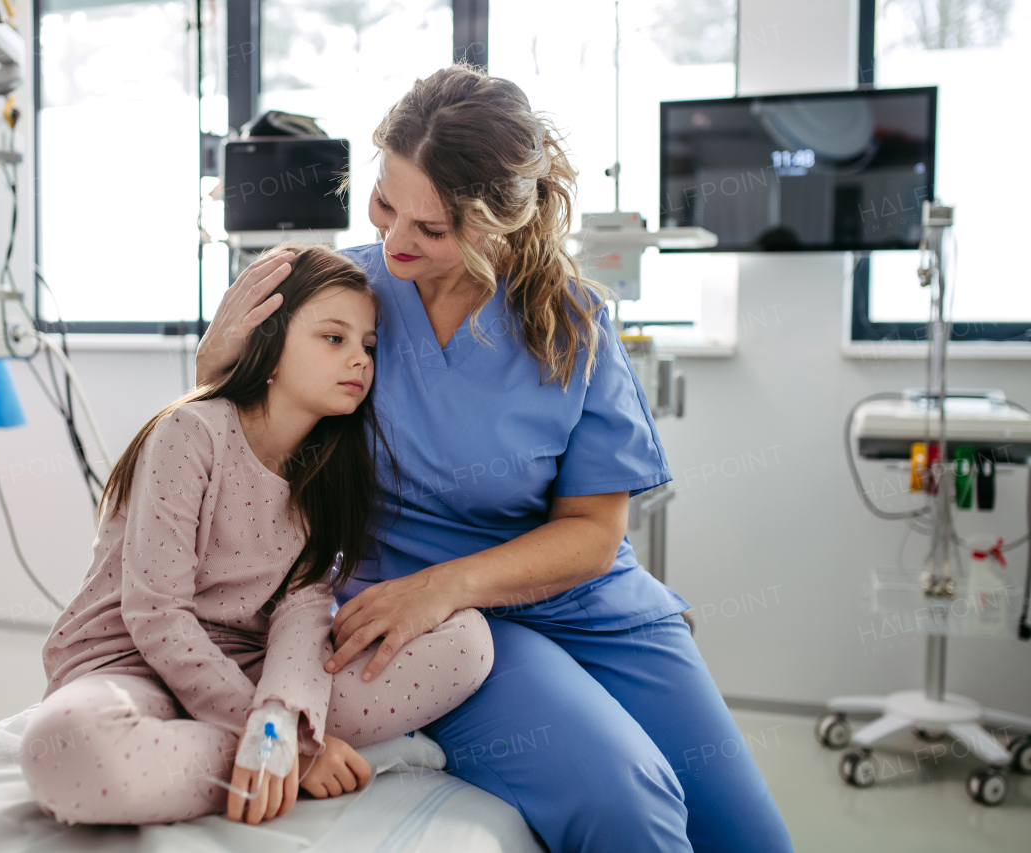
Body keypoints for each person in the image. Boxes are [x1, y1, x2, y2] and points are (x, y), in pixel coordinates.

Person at [195, 67, 793, 852]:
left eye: (431, 228)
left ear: (498, 223)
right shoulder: (341, 296)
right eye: (384, 204)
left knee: (749, 836)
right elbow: (240, 446)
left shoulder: (571, 321)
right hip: (440, 627)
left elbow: (591, 532)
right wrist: (216, 369)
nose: (394, 241)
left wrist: (448, 585)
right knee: (631, 804)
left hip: (584, 603)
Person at [21, 244, 492, 827]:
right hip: (130, 662)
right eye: (333, 338)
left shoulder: (328, 474)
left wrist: (275, 717)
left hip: (252, 666)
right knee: (71, 753)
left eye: (368, 346)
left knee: (468, 642)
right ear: (270, 344)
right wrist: (285, 739)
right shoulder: (190, 433)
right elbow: (156, 613)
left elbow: (303, 614)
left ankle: (255, 749)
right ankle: (272, 757)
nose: (359, 360)